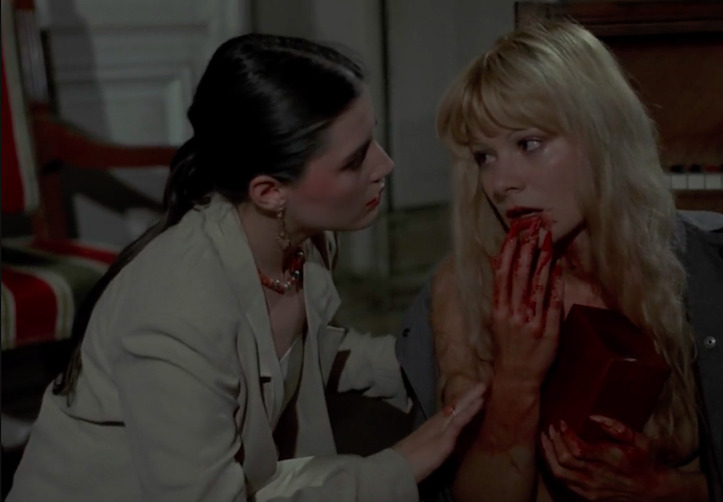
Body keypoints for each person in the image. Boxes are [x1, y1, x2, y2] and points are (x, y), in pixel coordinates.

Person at [7, 33, 484, 502]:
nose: (385, 165)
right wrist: (399, 467)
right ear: (270, 192)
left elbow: (308, 357)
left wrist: (450, 362)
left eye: (371, 138)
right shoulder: (178, 310)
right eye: (355, 160)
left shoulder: (301, 240)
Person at [395, 21, 723, 502]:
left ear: (602, 136)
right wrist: (516, 378)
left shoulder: (711, 284)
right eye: (484, 156)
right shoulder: (465, 286)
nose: (500, 182)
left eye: (528, 144)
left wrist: (663, 489)